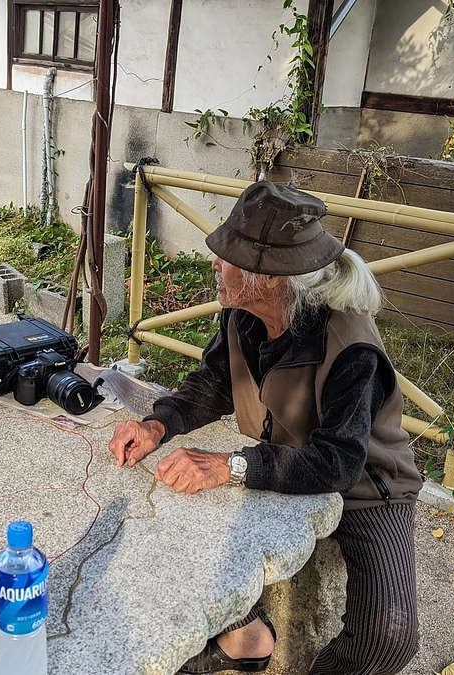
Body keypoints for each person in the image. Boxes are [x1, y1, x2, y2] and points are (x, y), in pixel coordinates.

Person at [109, 181, 422, 675]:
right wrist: (156, 424)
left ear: (270, 276)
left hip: (367, 486)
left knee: (390, 635)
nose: (214, 261)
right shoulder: (243, 313)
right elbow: (214, 382)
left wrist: (228, 466)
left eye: (228, 256)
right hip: (276, 460)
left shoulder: (350, 345)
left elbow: (339, 462)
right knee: (165, 510)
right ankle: (248, 636)